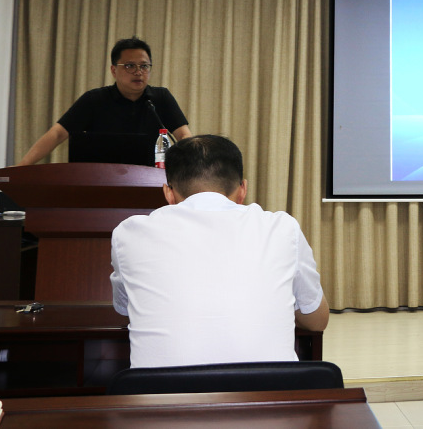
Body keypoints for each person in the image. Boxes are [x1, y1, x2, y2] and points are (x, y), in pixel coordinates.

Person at [110, 134, 328, 368]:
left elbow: (123, 308)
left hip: (159, 391)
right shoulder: (282, 228)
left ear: (168, 194)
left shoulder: (128, 233)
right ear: (242, 190)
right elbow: (317, 321)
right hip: (269, 389)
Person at [17, 37, 192, 165]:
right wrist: (22, 167)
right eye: (130, 66)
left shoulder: (160, 98)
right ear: (114, 70)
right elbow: (57, 133)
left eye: (144, 66)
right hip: (100, 182)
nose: (138, 72)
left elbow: (184, 136)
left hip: (149, 181)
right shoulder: (94, 100)